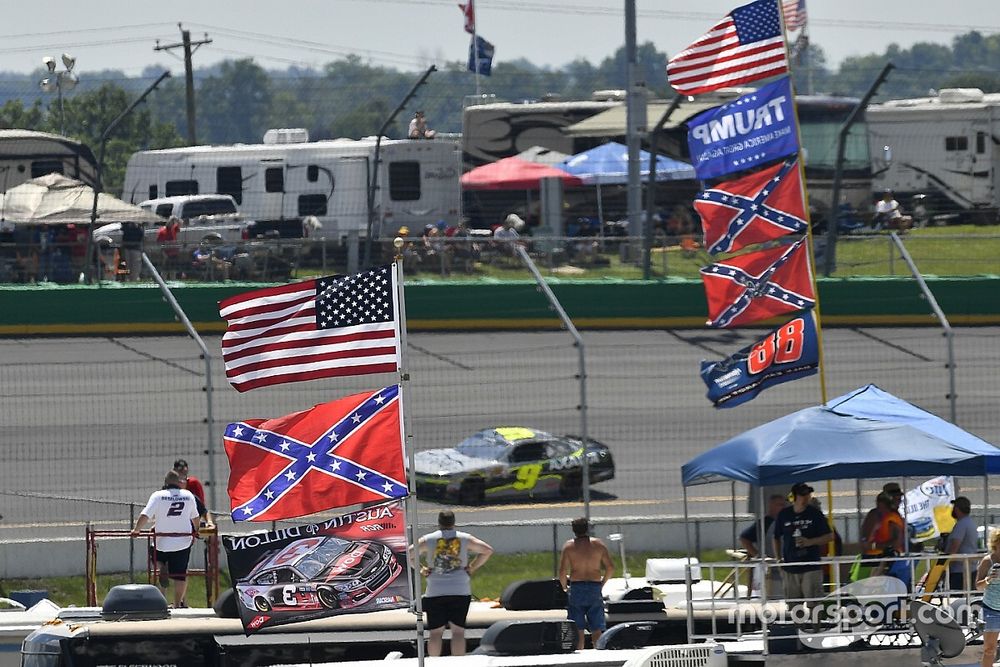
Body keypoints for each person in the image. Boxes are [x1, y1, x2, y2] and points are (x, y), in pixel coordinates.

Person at [415, 510, 494, 656]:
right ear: (453, 522)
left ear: (438, 523)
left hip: (435, 591)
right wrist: (472, 567)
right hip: (460, 590)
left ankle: (434, 663)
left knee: (435, 633)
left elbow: (409, 554)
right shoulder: (464, 538)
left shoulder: (429, 539)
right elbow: (487, 550)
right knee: (458, 632)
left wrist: (422, 569)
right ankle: (458, 663)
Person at [131, 470, 200, 607]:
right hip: (182, 541)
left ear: (166, 482)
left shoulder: (158, 496)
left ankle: (162, 566)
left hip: (161, 541)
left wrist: (136, 530)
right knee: (180, 575)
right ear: (179, 482)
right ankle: (177, 604)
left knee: (155, 555)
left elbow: (145, 514)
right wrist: (196, 531)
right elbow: (195, 518)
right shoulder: (188, 496)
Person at [773, 482, 834, 615]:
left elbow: (830, 536)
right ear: (795, 497)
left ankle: (816, 631)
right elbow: (776, 536)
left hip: (811, 565)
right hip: (791, 566)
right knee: (794, 606)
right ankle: (798, 632)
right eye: (802, 495)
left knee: (814, 604)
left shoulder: (815, 514)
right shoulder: (784, 514)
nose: (806, 498)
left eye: (808, 494)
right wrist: (778, 559)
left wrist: (810, 542)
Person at [559, 517, 615, 650]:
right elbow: (610, 567)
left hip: (576, 586)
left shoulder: (569, 546)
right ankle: (599, 654)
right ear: (588, 529)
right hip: (594, 586)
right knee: (596, 627)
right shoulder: (598, 545)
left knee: (578, 627)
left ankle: (580, 655)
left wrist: (564, 587)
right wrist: (602, 583)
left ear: (573, 530)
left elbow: (562, 571)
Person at [739, 494, 789, 597]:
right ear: (771, 506)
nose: (783, 508)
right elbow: (744, 538)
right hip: (770, 569)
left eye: (784, 505)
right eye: (779, 505)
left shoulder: (786, 522)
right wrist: (759, 555)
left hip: (785, 567)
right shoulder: (765, 523)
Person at [974, 529, 1000, 667]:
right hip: (991, 610)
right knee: (989, 650)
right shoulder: (987, 561)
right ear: (995, 544)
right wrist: (989, 579)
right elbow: (978, 586)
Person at [946, 496, 978, 592]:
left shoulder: (961, 525)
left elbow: (954, 546)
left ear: (956, 509)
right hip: (969, 568)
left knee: (956, 599)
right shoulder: (970, 522)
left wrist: (946, 565)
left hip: (960, 571)